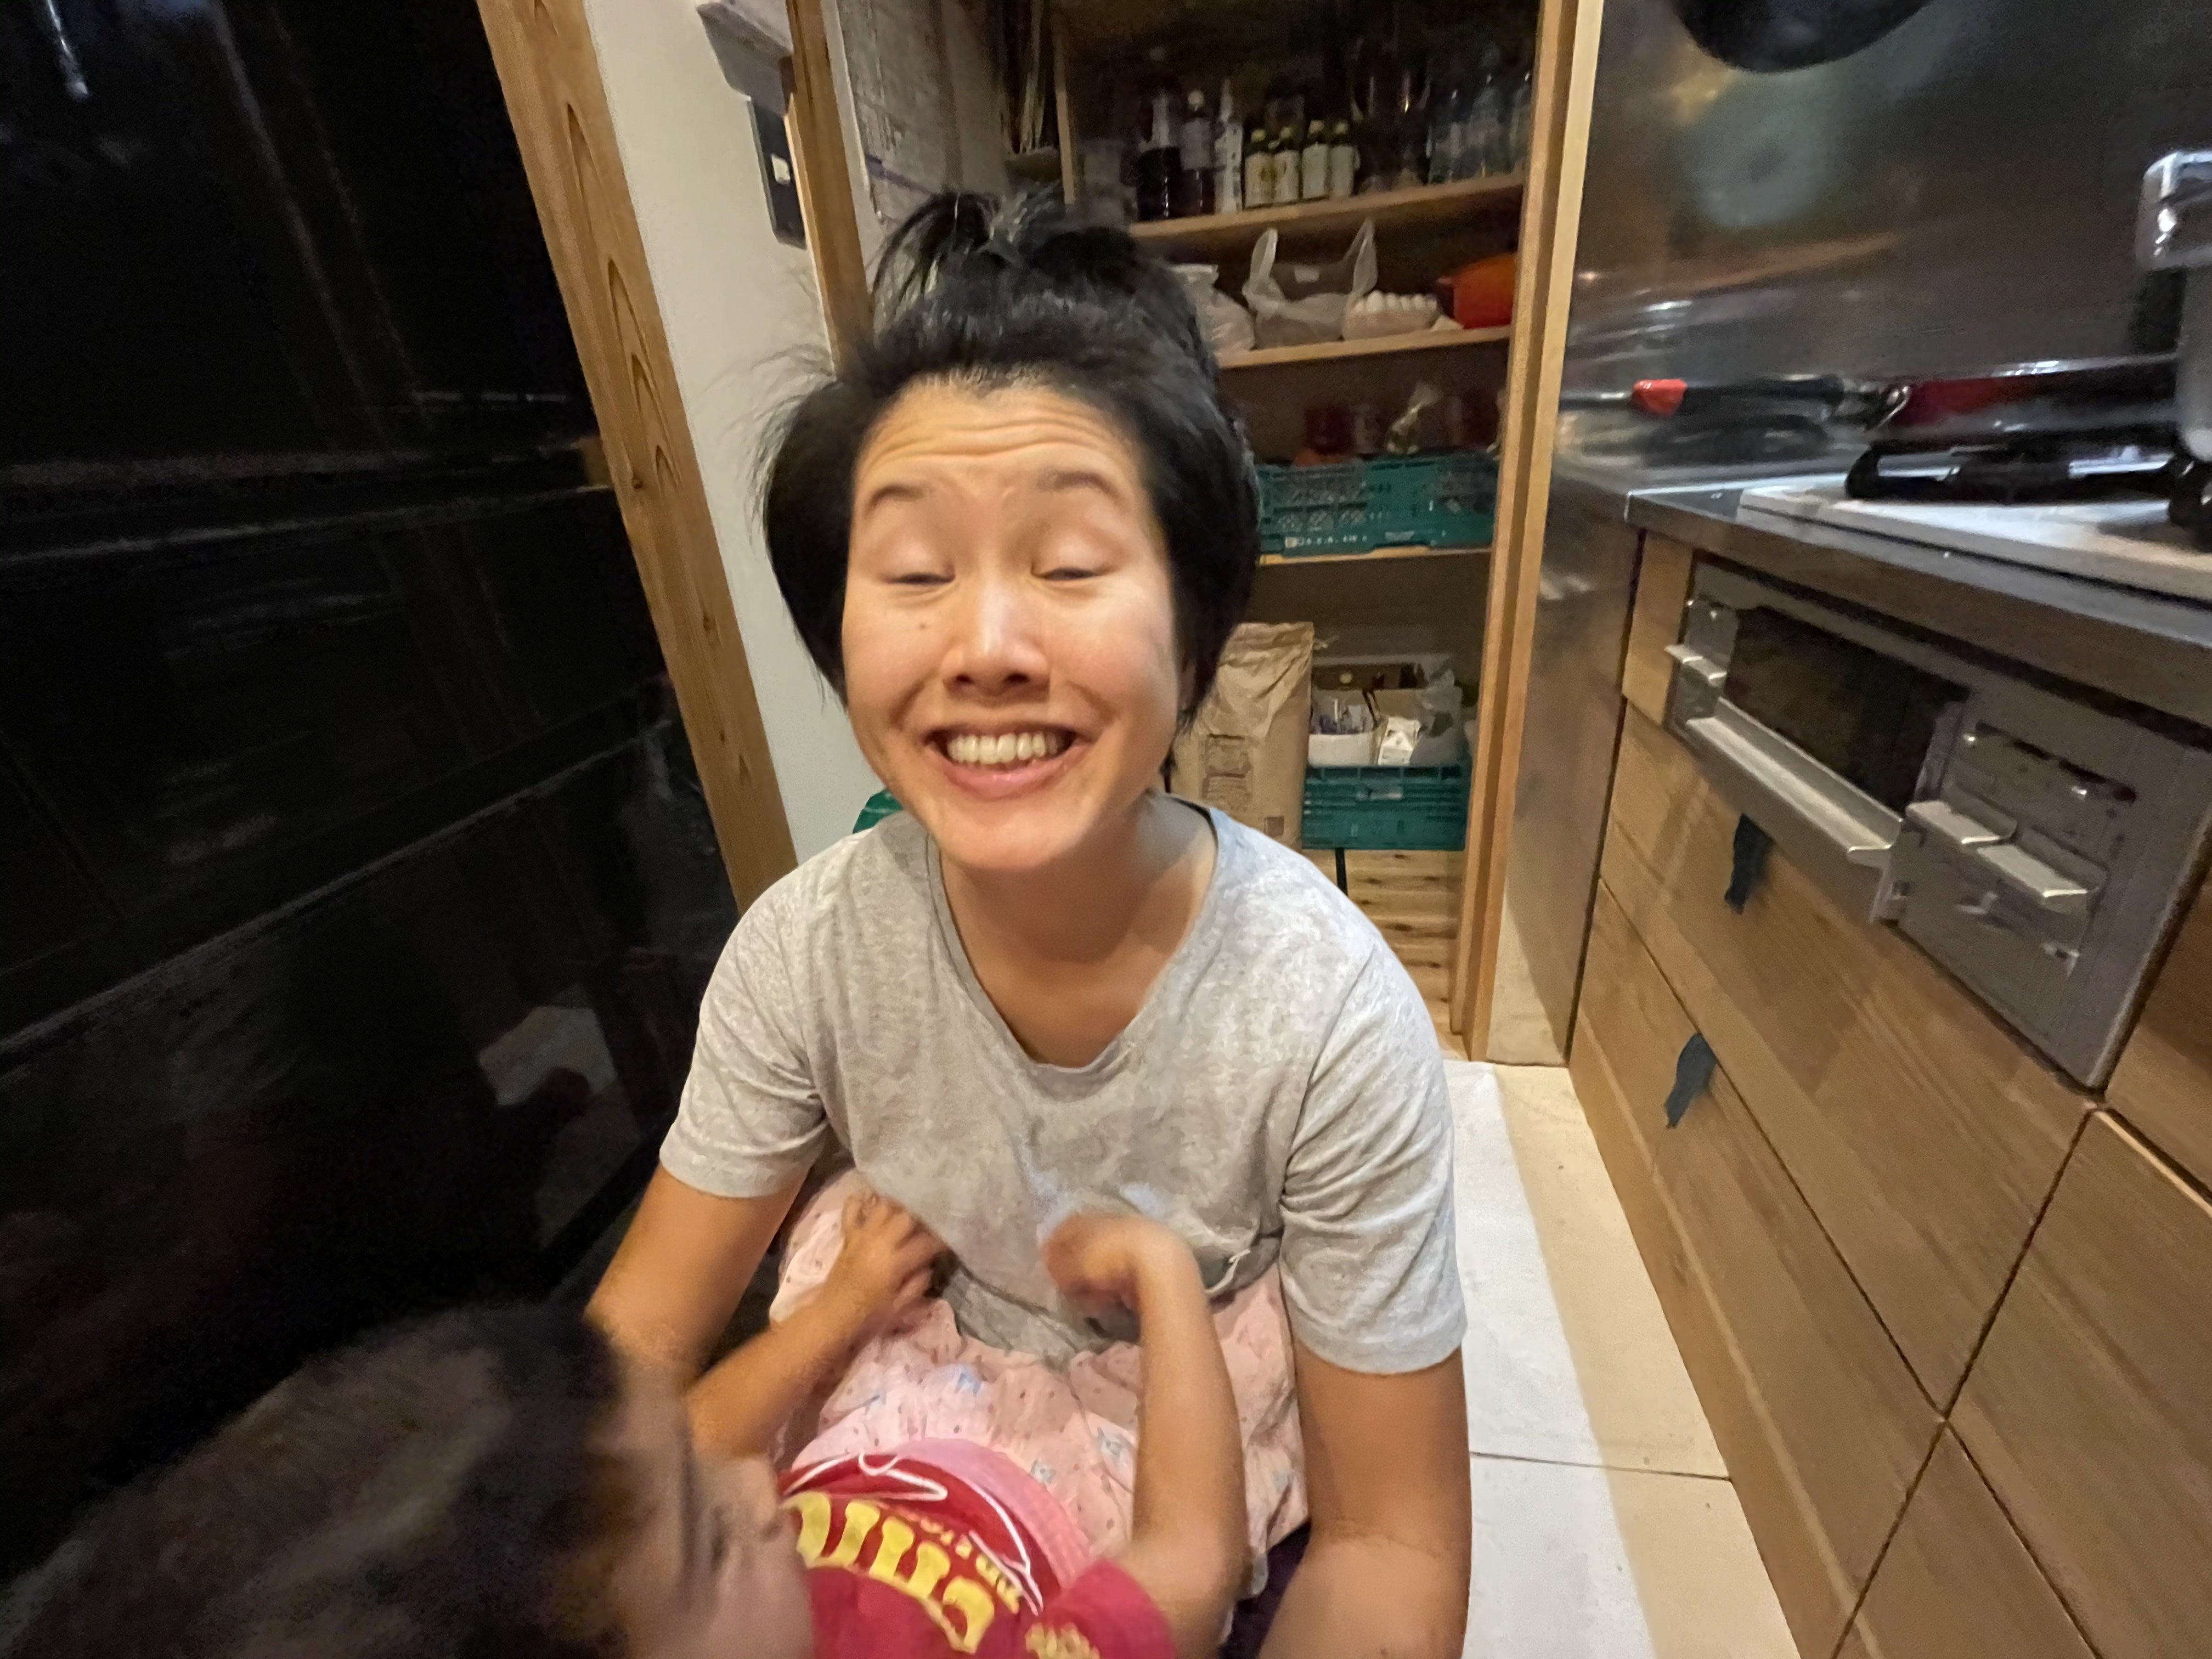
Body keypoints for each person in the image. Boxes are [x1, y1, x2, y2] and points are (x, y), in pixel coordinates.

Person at [590, 189, 1471, 1655]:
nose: (987, 649)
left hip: (1188, 1482)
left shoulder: (1324, 1011)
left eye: (1068, 567)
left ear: (1196, 629)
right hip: (903, 1466)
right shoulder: (807, 956)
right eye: (914, 576)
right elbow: (622, 1379)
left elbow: (1391, 1540)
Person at [9, 1206, 1244, 1659]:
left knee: (841, 1232)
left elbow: (675, 1446)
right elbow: (1189, 1563)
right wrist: (1163, 1271)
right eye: (713, 1543)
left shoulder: (617, 1556)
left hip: (884, 1430)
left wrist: (844, 1309)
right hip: (1040, 1497)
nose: (753, 1491)